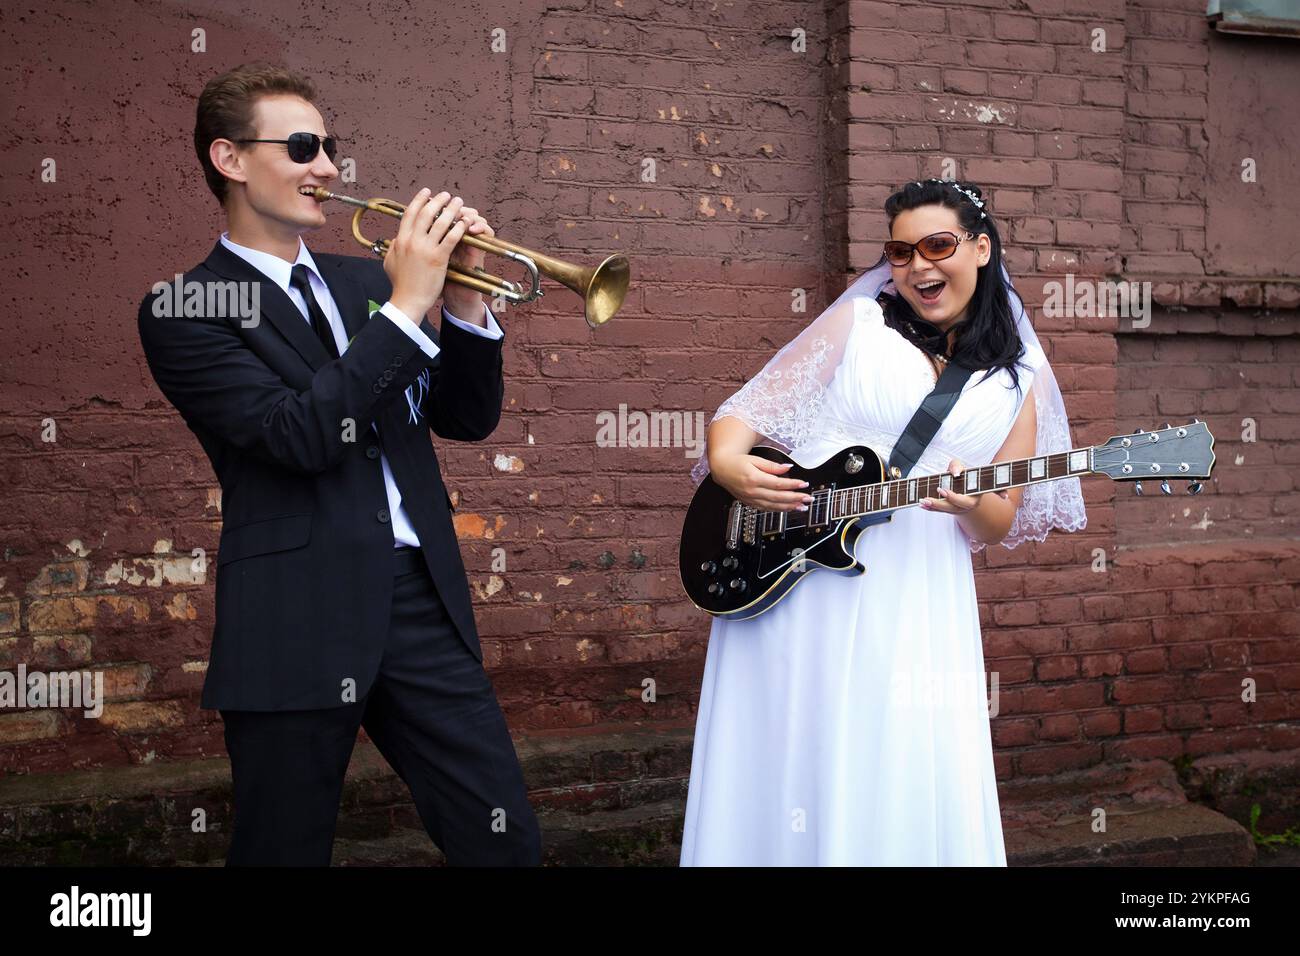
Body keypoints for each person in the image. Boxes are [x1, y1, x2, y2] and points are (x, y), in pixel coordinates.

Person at [137, 62, 540, 865]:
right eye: (301, 147)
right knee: (282, 848)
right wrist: (407, 304)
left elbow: (465, 417)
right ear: (229, 159)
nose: (327, 168)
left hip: (419, 601)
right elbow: (297, 435)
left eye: (330, 146)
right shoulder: (185, 304)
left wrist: (461, 304)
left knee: (507, 842)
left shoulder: (369, 279)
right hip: (296, 611)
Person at [680, 178, 1087, 866]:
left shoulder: (1021, 380)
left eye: (939, 246)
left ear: (981, 249)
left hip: (919, 593)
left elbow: (997, 522)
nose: (919, 267)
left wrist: (971, 502)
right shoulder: (859, 325)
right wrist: (726, 462)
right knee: (796, 737)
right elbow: (741, 415)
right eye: (901, 252)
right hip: (802, 576)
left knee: (897, 747)